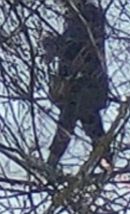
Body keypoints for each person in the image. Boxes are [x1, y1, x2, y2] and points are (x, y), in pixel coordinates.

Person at [43, 1, 111, 169]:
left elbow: (74, 45)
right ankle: (105, 158)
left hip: (83, 82)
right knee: (90, 121)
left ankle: (52, 161)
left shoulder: (86, 14)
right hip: (84, 83)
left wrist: (55, 45)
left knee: (69, 120)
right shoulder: (80, 15)